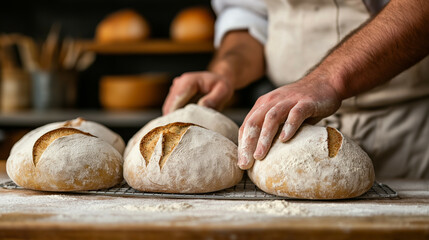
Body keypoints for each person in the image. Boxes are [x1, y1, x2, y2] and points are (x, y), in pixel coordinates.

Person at [163, 0, 429, 178]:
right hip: (294, 128)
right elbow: (249, 14)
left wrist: (329, 79)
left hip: (411, 128)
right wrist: (226, 71)